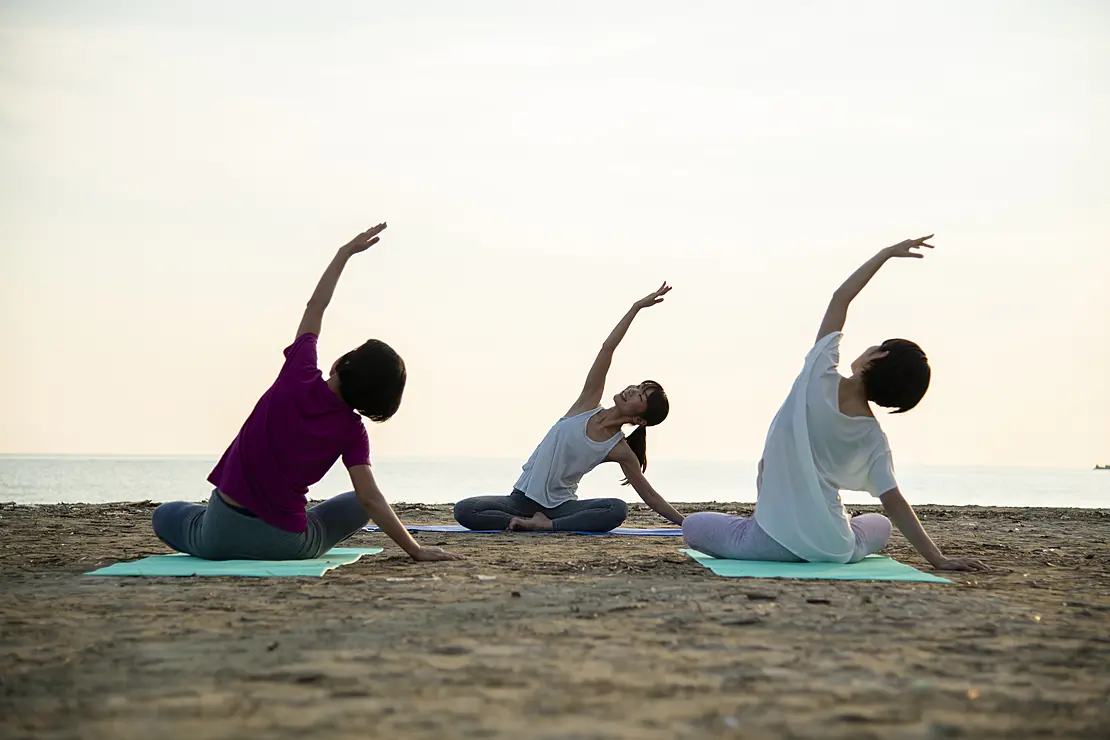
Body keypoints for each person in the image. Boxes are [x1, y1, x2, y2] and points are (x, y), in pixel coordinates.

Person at [152, 223, 462, 563]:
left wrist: (344, 253)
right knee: (357, 503)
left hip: (216, 537)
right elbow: (371, 499)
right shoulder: (352, 432)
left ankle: (225, 526)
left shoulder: (298, 372)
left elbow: (316, 306)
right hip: (285, 545)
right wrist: (415, 550)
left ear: (341, 363)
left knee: (166, 514)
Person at [683, 236, 987, 571]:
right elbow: (895, 503)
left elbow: (841, 297)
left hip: (766, 541)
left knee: (693, 526)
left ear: (879, 355)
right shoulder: (873, 438)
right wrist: (938, 559)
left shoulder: (819, 373)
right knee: (879, 524)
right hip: (832, 548)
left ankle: (772, 520)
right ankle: (835, 522)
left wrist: (884, 254)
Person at [453, 283, 687, 533]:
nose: (632, 389)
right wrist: (636, 307)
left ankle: (547, 525)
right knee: (466, 510)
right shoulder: (587, 403)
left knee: (616, 509)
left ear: (639, 419)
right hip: (519, 500)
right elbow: (607, 349)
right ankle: (529, 524)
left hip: (561, 507)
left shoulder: (619, 448)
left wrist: (687, 523)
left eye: (640, 395)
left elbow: (650, 496)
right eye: (637, 386)